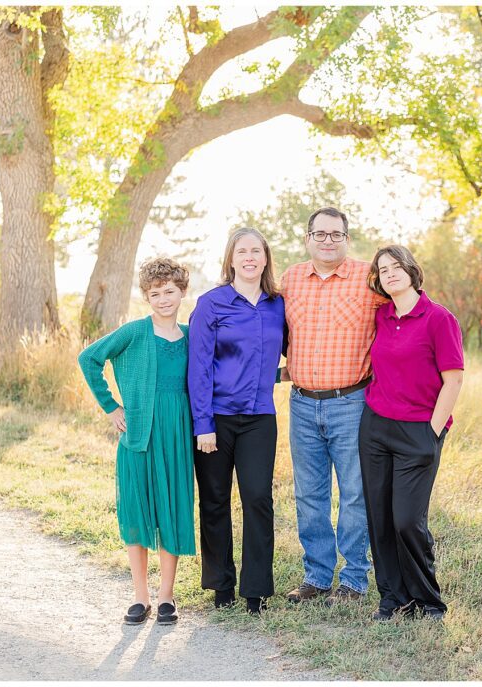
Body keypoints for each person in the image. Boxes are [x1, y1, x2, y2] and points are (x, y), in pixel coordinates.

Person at [78, 258, 196, 626]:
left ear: (182, 292)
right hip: (138, 434)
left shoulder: (193, 335)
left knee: (171, 506)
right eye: (155, 293)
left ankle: (166, 597)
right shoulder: (134, 332)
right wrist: (112, 406)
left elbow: (225, 373)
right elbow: (89, 358)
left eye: (170, 292)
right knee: (138, 509)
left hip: (177, 433)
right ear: (147, 297)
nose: (163, 299)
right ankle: (140, 596)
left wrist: (277, 374)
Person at [279, 207, 387, 605]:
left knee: (355, 493)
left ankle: (355, 579)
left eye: (335, 234)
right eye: (319, 234)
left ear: (347, 238)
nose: (327, 241)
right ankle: (318, 576)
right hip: (303, 404)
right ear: (307, 238)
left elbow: (403, 312)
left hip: (352, 402)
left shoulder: (368, 277)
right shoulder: (290, 279)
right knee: (310, 494)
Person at [359, 244, 464, 621]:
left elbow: (453, 382)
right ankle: (393, 598)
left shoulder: (438, 318)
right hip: (375, 426)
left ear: (411, 270)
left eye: (395, 266)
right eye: (382, 269)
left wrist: (432, 434)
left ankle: (429, 600)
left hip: (419, 429)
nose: (389, 273)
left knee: (407, 519)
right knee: (380, 517)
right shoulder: (383, 315)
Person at [188, 227, 285, 616]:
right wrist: (203, 424)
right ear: (230, 259)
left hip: (260, 416)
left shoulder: (278, 304)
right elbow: (198, 368)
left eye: (256, 251)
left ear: (265, 259)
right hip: (217, 418)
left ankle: (256, 590)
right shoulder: (211, 303)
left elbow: (288, 353)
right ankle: (221, 584)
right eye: (241, 251)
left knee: (258, 499)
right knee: (214, 501)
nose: (249, 257)